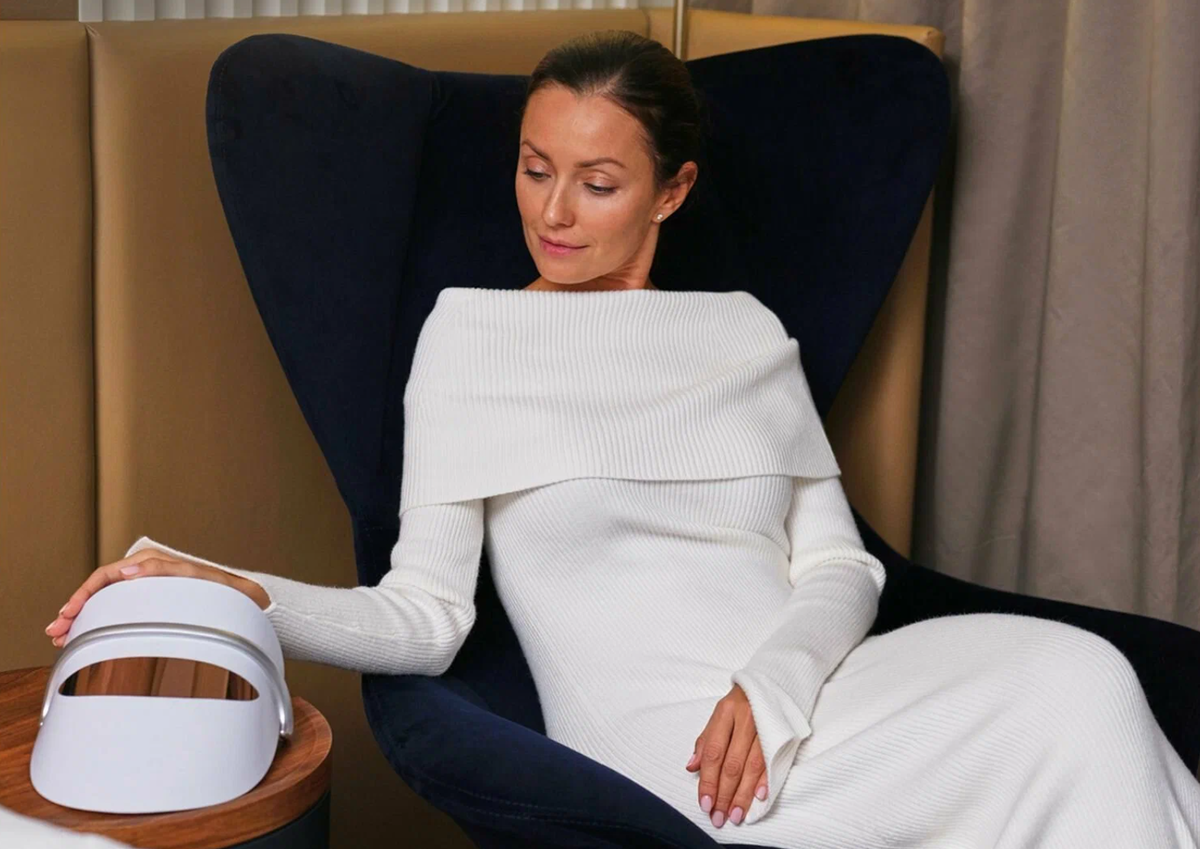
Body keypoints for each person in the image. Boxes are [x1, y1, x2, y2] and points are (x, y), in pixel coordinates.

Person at [45, 29, 1200, 848]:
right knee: (1074, 705)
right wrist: (235, 590)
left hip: (805, 693)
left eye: (597, 183)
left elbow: (840, 565)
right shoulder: (470, 339)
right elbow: (425, 619)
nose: (551, 213)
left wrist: (776, 682)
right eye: (534, 168)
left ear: (672, 192)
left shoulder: (743, 331)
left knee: (1082, 678)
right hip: (675, 754)